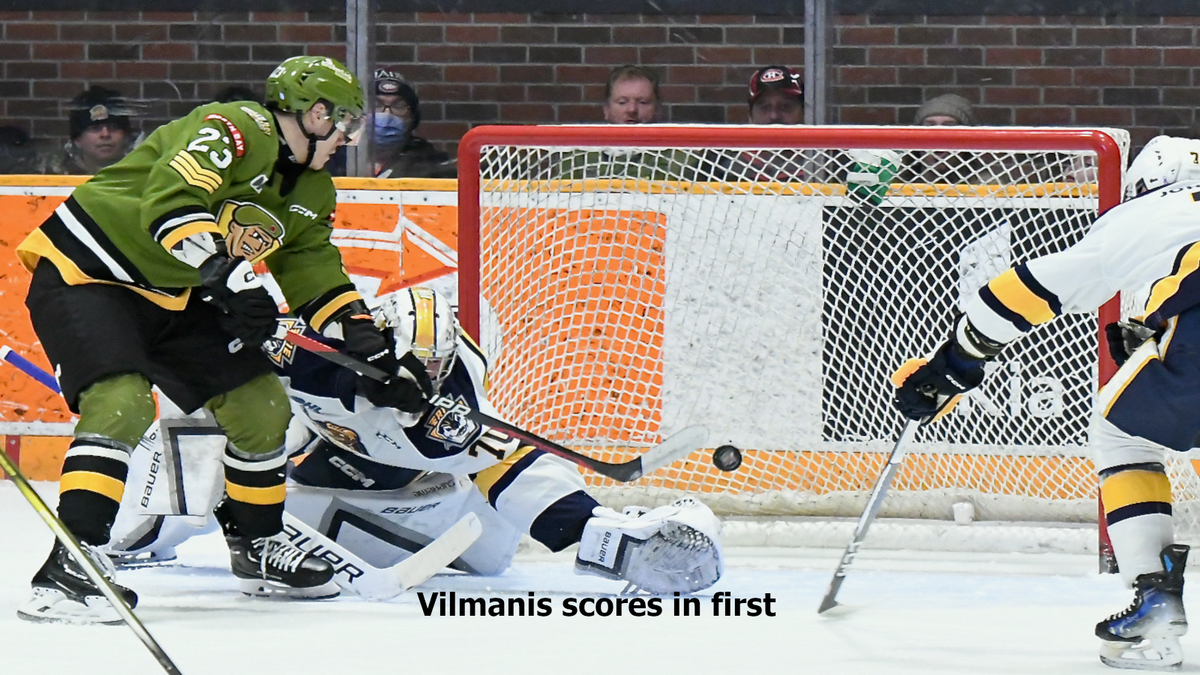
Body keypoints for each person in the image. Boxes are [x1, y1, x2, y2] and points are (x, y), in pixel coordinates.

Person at [14, 55, 432, 624]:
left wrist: (371, 347)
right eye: (345, 124)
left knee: (262, 407)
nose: (347, 138)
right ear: (314, 115)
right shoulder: (236, 126)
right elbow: (173, 195)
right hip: (89, 271)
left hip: (179, 291)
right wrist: (228, 276)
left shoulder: (310, 188)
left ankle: (258, 545)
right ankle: (74, 562)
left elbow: (312, 271)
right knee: (121, 402)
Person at [103, 286, 725, 595]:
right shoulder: (310, 356)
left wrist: (594, 531)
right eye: (415, 369)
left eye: (438, 369)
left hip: (421, 506)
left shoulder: (453, 409)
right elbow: (197, 357)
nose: (427, 383)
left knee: (489, 557)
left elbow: (512, 466)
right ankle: (133, 536)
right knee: (201, 427)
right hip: (313, 494)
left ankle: (613, 542)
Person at [890, 136, 1200, 670]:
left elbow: (1019, 294)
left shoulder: (1155, 212)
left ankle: (1155, 594)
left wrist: (954, 367)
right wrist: (1157, 334)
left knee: (1123, 435)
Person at [371, 68, 455, 179]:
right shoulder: (341, 158)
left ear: (412, 117)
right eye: (376, 105)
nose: (387, 114)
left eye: (398, 106)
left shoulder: (432, 165)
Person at [37, 86, 136, 175]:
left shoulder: (139, 169)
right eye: (95, 128)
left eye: (114, 127)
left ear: (125, 135)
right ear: (77, 139)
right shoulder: (54, 172)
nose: (105, 134)